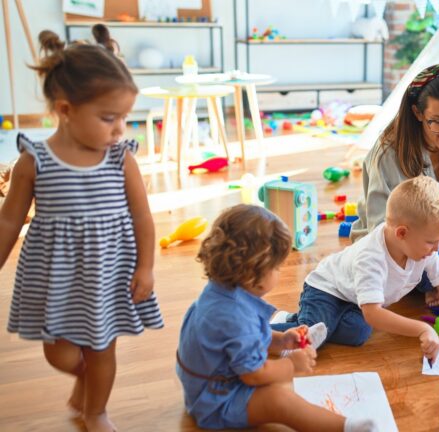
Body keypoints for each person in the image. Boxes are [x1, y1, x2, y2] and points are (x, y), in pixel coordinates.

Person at [0, 26, 163, 432]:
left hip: (106, 275)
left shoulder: (120, 158)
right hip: (53, 278)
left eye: (124, 117)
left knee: (101, 347)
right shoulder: (34, 160)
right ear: (65, 109)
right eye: (109, 118)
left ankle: (95, 410)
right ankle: (86, 382)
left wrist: (146, 267)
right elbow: (9, 218)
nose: (120, 129)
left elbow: (143, 217)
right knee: (61, 356)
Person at [177, 205, 375, 432]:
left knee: (279, 388)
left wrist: (281, 341)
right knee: (280, 401)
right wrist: (292, 365)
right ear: (254, 273)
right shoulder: (235, 317)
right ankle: (345, 427)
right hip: (216, 400)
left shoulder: (222, 293)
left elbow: (241, 340)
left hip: (210, 384)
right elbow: (254, 375)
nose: (280, 272)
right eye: (277, 268)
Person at [272, 177, 439, 363]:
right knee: (311, 338)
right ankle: (264, 331)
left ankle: (304, 319)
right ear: (402, 233)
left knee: (358, 333)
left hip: (354, 297)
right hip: (326, 290)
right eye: (432, 242)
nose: (437, 249)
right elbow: (373, 313)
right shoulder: (372, 257)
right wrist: (422, 329)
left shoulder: (423, 249)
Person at [351, 63, 439, 304]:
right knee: (435, 264)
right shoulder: (388, 154)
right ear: (417, 113)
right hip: (405, 246)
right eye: (438, 121)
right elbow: (382, 227)